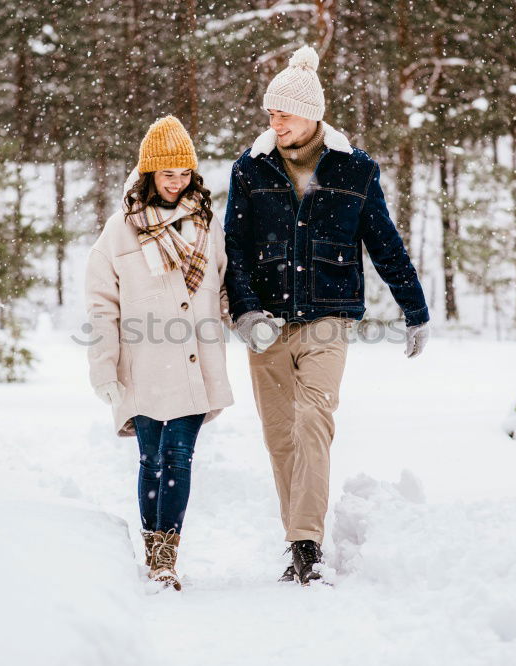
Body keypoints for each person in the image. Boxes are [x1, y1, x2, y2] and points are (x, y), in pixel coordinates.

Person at [224, 46, 431, 585]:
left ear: (312, 114)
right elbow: (235, 250)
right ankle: (297, 534)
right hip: (266, 322)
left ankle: (305, 545)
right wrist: (245, 313)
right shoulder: (250, 168)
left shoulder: (354, 169)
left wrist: (415, 308)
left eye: (284, 113)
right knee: (280, 437)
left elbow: (384, 242)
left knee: (313, 421)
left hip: (328, 318)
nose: (275, 121)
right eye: (270, 113)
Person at [85, 115, 234, 591]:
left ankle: (166, 557)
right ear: (149, 174)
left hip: (194, 361)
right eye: (167, 174)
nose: (177, 182)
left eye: (184, 173)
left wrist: (248, 316)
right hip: (143, 364)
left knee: (179, 457)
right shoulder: (118, 232)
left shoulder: (206, 226)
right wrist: (103, 367)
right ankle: (154, 550)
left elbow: (225, 284)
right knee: (151, 459)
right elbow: (101, 305)